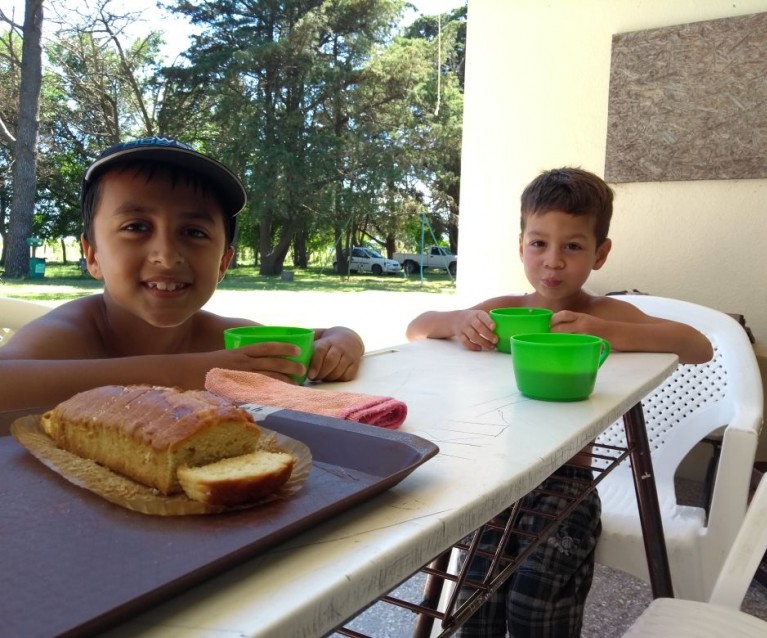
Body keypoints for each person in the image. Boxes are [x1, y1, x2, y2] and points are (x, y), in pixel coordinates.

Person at [406, 167, 713, 637]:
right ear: (521, 244)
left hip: (564, 484)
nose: (552, 262)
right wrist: (459, 321)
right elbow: (418, 327)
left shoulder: (603, 313)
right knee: (474, 609)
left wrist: (607, 332)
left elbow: (697, 345)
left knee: (538, 608)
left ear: (600, 253)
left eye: (572, 246)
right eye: (538, 243)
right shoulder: (504, 310)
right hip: (494, 478)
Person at [0, 136, 364, 412]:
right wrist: (186, 373)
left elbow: (321, 336)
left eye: (194, 232)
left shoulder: (220, 338)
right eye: (136, 226)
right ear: (92, 255)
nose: (167, 255)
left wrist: (343, 341)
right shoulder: (72, 333)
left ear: (223, 263)